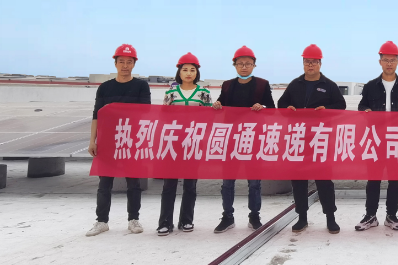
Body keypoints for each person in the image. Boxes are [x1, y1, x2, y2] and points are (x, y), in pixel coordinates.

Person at [278, 44, 347, 234]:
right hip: (298, 139)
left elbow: (341, 106)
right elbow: (281, 104)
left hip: (321, 139)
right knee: (298, 180)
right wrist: (288, 109)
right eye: (307, 61)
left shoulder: (329, 85)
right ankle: (302, 217)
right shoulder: (295, 84)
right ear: (303, 63)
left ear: (320, 63)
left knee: (324, 180)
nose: (310, 65)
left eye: (314, 62)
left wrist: (327, 110)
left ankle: (330, 217)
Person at [86, 44, 151, 237]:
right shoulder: (105, 87)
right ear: (115, 63)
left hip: (132, 140)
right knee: (104, 183)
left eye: (129, 62)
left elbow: (145, 113)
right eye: (121, 61)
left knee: (134, 183)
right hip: (107, 141)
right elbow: (96, 115)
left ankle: (133, 219)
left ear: (134, 64)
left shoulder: (141, 86)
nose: (125, 65)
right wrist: (92, 140)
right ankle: (102, 221)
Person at [355, 41, 398, 231]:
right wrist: (365, 110)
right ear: (380, 62)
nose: (389, 63)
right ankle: (370, 215)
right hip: (376, 138)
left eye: (392, 60)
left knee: (395, 179)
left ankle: (391, 215)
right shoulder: (370, 86)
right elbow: (361, 106)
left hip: (397, 139)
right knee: (373, 179)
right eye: (385, 60)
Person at [211, 46, 275, 233]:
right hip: (231, 139)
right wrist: (217, 104)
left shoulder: (262, 84)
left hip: (253, 139)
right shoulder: (227, 85)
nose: (244, 67)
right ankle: (227, 217)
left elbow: (272, 108)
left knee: (254, 182)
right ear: (235, 65)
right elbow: (221, 104)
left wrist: (262, 107)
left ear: (254, 65)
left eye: (248, 63)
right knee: (227, 182)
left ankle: (254, 216)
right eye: (240, 64)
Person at [157, 53, 212, 236]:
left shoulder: (204, 93)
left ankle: (186, 220)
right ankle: (165, 222)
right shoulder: (171, 93)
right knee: (169, 184)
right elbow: (163, 117)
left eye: (192, 70)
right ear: (179, 72)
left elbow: (209, 118)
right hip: (173, 143)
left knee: (190, 185)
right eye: (185, 69)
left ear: (197, 73)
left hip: (193, 143)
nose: (188, 73)